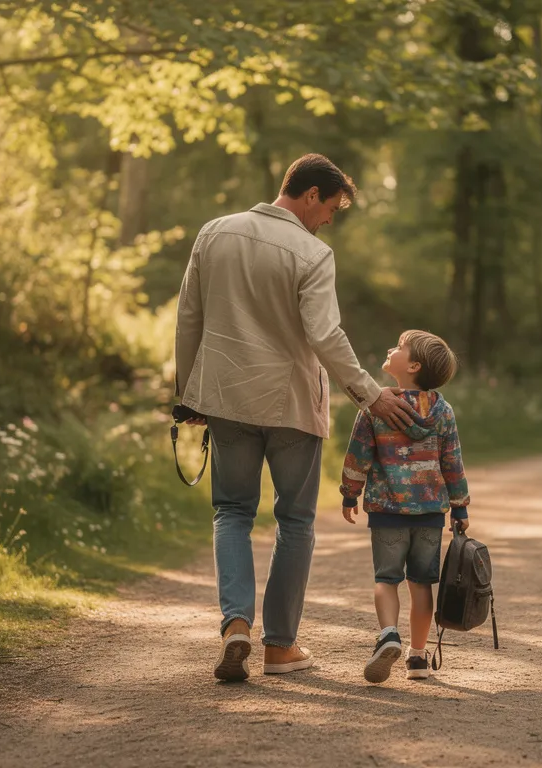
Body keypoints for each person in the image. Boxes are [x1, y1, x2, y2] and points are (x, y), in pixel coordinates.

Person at [174, 153, 418, 682]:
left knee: (232, 513)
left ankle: (236, 623)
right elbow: (325, 336)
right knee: (296, 522)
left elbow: (189, 313)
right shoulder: (313, 253)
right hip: (290, 403)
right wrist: (370, 394)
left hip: (227, 398)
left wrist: (189, 393)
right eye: (331, 208)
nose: (330, 219)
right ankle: (280, 648)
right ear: (310, 195)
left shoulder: (214, 232)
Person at [340, 330, 470, 683]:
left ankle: (388, 636)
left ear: (413, 365)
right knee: (422, 583)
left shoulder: (376, 407)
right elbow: (452, 464)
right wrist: (459, 508)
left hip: (386, 510)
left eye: (398, 347)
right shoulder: (443, 412)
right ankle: (416, 657)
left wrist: (349, 492)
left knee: (386, 579)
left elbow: (358, 456)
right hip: (429, 514)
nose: (390, 348)